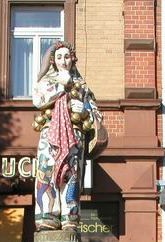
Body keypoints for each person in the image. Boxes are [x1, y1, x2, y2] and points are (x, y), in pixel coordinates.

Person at [32, 41, 104, 231]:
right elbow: (38, 100)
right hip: (50, 134)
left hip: (75, 135)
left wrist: (85, 112)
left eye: (67, 57)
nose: (63, 61)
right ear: (53, 61)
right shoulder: (47, 81)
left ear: (72, 59)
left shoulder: (81, 86)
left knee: (72, 176)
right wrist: (61, 86)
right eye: (59, 57)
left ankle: (69, 216)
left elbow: (96, 112)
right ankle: (47, 214)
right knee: (47, 172)